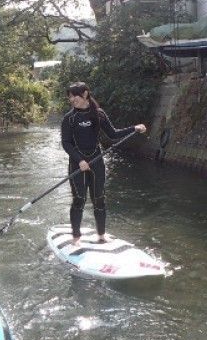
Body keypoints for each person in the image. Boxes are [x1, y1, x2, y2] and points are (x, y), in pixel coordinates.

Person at [61, 82, 146, 246]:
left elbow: (113, 134)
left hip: (96, 161)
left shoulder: (98, 114)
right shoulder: (69, 118)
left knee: (99, 199)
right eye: (70, 97)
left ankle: (101, 235)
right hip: (77, 164)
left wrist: (134, 128)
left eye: (74, 96)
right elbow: (66, 143)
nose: (71, 100)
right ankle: (76, 238)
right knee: (79, 199)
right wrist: (80, 160)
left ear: (85, 94)